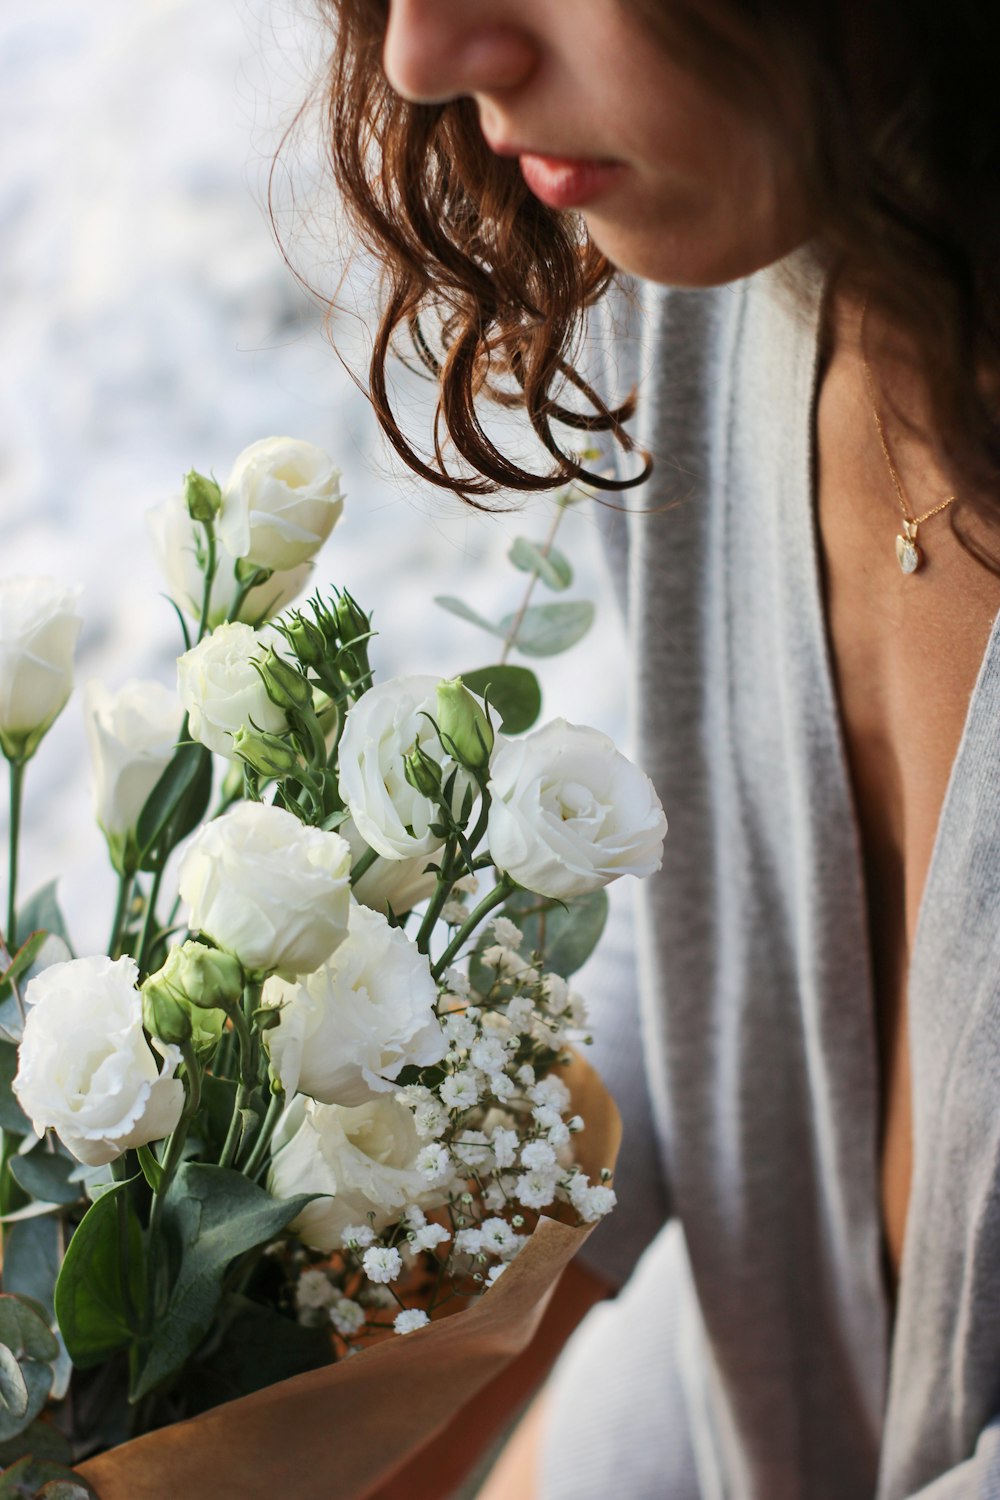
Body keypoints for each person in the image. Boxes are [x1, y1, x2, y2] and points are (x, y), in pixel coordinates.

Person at [315, 3, 1000, 1496]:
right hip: (769, 1379)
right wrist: (341, 1339)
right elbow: (715, 921)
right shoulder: (709, 264)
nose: (428, 55)